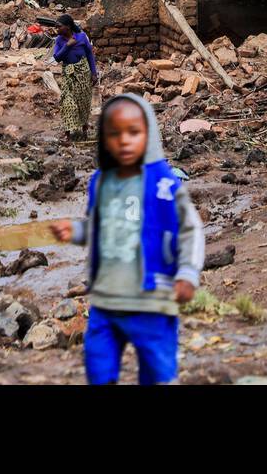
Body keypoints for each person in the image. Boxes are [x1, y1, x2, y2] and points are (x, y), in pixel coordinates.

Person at [49, 94, 205, 385]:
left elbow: (190, 229)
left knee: (157, 369)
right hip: (106, 300)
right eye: (114, 134)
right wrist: (77, 231)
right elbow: (101, 227)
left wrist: (187, 273)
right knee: (98, 365)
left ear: (149, 135)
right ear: (103, 139)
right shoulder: (101, 182)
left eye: (133, 133)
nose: (124, 141)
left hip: (151, 301)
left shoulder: (164, 185)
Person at [52, 13, 98, 140]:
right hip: (69, 75)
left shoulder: (82, 37)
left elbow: (89, 55)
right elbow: (57, 57)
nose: (57, 29)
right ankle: (67, 133)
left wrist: (94, 73)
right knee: (67, 103)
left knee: (83, 104)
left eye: (59, 26)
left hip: (83, 74)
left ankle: (84, 130)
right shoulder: (60, 40)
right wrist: (67, 46)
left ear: (68, 27)